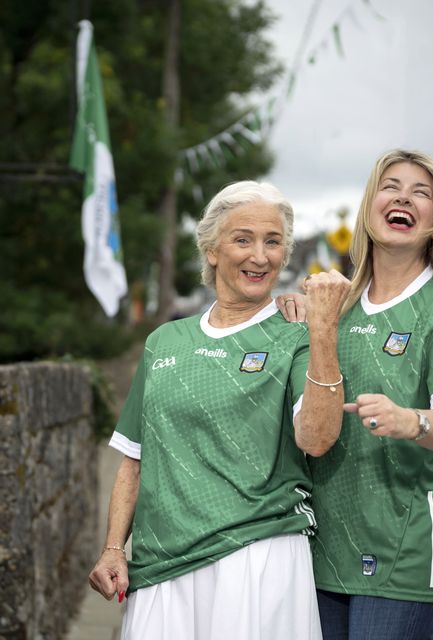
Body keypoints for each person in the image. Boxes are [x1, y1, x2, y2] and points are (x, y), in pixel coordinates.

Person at [88, 180, 351, 640]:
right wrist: (114, 547)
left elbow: (318, 437)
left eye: (273, 242)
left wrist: (323, 331)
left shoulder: (296, 335)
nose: (260, 255)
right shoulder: (163, 342)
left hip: (257, 557)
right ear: (211, 249)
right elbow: (134, 458)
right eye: (243, 239)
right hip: (161, 563)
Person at [279, 149, 433, 640]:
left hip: (405, 551)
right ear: (371, 205)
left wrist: (411, 421)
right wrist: (297, 318)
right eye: (392, 186)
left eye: (421, 193)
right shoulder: (335, 307)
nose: (404, 198)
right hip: (323, 543)